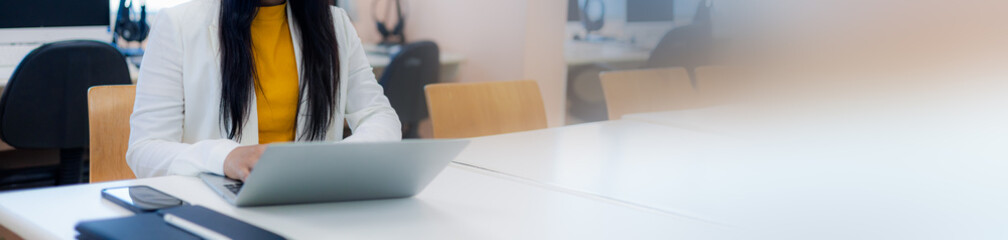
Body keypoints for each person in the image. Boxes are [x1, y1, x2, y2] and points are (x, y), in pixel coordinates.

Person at [127, 0, 401, 181]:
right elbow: (144, 150)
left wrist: (341, 158)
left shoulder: (334, 24)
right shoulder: (177, 24)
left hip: (310, 208)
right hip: (216, 211)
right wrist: (224, 158)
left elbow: (379, 116)